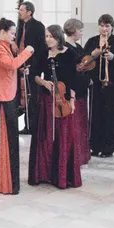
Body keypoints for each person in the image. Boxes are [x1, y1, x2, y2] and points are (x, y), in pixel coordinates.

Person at [30, 24, 81, 189]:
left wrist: (72, 100)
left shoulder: (70, 54)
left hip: (63, 100)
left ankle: (62, 175)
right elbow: (35, 75)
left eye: (51, 36)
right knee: (45, 135)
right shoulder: (43, 53)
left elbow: (74, 80)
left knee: (63, 136)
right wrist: (44, 82)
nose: (48, 39)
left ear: (58, 37)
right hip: (46, 100)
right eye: (46, 36)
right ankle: (44, 173)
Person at [0, 18, 34, 195]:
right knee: (5, 142)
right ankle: (5, 184)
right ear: (3, 31)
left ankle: (9, 183)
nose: (14, 36)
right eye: (13, 33)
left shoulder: (4, 47)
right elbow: (11, 64)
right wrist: (27, 52)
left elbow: (9, 68)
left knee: (11, 141)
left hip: (8, 96)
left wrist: (20, 70)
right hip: (2, 98)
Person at [83, 14, 114, 158]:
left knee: (111, 114)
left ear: (112, 28)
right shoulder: (92, 41)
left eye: (107, 26)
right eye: (102, 26)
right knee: (96, 113)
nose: (104, 29)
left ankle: (109, 147)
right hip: (96, 82)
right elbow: (83, 61)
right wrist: (92, 54)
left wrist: (113, 57)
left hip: (113, 82)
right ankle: (95, 145)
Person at [15, 2, 46, 135]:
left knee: (32, 96)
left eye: (22, 10)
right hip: (19, 63)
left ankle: (32, 125)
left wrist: (32, 66)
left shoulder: (38, 26)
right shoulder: (20, 25)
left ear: (29, 12)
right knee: (22, 95)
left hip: (32, 65)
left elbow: (41, 49)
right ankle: (26, 123)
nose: (19, 12)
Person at [64, 18, 91, 165]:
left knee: (81, 121)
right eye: (80, 30)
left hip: (82, 88)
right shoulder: (67, 48)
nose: (81, 33)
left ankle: (82, 154)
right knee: (74, 122)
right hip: (74, 89)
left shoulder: (78, 47)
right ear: (73, 30)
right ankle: (75, 155)